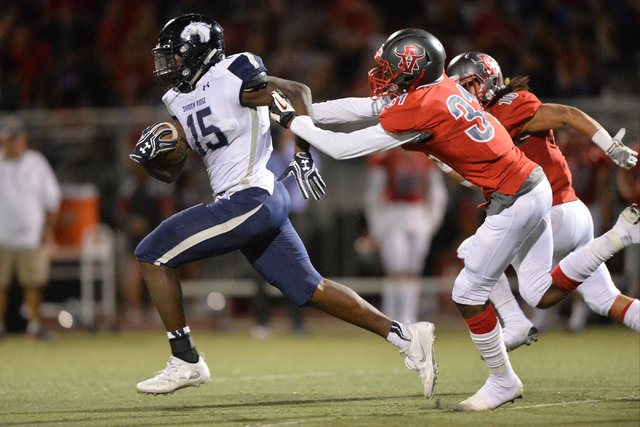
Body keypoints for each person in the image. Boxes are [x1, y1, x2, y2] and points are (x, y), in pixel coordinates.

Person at [269, 28, 640, 410]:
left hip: (518, 195)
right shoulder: (440, 86)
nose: (383, 75)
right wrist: (303, 110)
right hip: (525, 187)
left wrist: (290, 121)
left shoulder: (422, 105)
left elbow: (342, 147)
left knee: (473, 291)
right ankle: (513, 334)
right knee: (521, 281)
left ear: (414, 69)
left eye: (390, 68)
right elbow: (364, 108)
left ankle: (503, 379)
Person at [128, 14, 437, 399]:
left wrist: (304, 152)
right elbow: (174, 174)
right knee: (310, 289)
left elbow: (296, 91)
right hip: (249, 202)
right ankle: (407, 336)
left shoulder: (232, 73)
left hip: (251, 197)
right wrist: (155, 160)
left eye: (175, 56)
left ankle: (186, 360)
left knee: (152, 252)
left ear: (200, 53)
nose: (168, 66)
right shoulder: (176, 98)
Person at [445, 51, 640, 344]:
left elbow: (567, 114)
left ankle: (515, 323)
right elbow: (471, 180)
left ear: (488, 81)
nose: (462, 94)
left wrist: (609, 146)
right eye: (457, 87)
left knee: (487, 259)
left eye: (467, 85)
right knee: (604, 299)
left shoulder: (507, 105)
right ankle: (515, 322)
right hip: (568, 215)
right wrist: (439, 158)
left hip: (550, 214)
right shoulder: (479, 123)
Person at [364, 147, 447, 324]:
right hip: (392, 214)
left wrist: (433, 220)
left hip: (418, 215)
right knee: (397, 268)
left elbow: (437, 192)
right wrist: (376, 227)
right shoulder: (385, 158)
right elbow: (373, 195)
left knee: (413, 270)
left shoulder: (427, 157)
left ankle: (409, 317)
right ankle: (390, 316)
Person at [0, 115, 62, 340]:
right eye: (9, 139)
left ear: (23, 139)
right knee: (1, 285)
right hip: (2, 235)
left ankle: (34, 326)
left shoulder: (36, 162)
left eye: (16, 138)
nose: (13, 143)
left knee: (33, 283)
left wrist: (48, 232)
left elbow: (52, 199)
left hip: (30, 235)